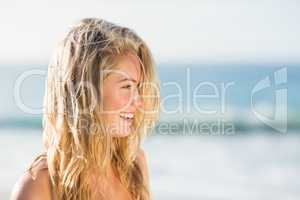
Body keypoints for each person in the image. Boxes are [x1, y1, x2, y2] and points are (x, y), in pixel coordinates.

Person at [10, 18, 160, 200]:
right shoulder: (39, 186)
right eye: (126, 87)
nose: (139, 102)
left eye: (138, 88)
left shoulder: (133, 166)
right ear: (87, 93)